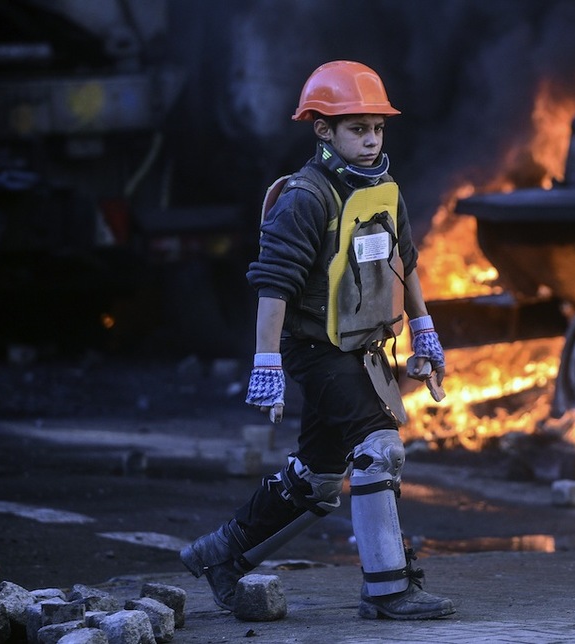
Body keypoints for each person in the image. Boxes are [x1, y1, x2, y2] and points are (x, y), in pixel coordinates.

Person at [179, 60, 455, 621]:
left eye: (378, 128)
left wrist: (424, 330)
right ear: (323, 130)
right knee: (380, 448)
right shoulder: (305, 197)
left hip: (362, 349)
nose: (371, 140)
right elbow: (274, 286)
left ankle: (221, 556)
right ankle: (388, 591)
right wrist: (266, 363)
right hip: (317, 351)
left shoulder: (384, 191)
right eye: (358, 128)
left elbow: (406, 263)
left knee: (319, 478)